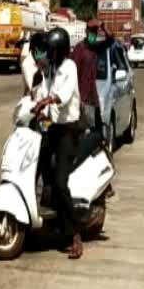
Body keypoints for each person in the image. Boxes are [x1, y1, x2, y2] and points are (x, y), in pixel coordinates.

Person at [33, 27, 84, 259]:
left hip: (69, 130)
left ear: (61, 50)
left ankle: (75, 235)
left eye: (52, 51)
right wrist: (34, 103)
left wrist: (46, 101)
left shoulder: (69, 67)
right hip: (53, 127)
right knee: (40, 163)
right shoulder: (51, 69)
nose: (49, 54)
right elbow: (44, 89)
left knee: (61, 182)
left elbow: (61, 97)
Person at [71, 20, 108, 134]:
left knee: (96, 133)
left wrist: (103, 27)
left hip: (93, 100)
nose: (93, 34)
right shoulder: (79, 49)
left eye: (95, 32)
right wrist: (78, 99)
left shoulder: (96, 48)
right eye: (91, 31)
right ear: (86, 32)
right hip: (83, 101)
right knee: (84, 133)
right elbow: (73, 75)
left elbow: (111, 40)